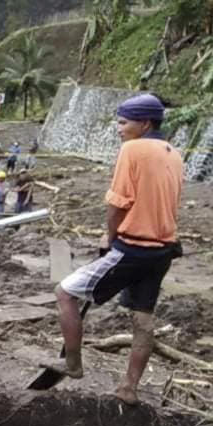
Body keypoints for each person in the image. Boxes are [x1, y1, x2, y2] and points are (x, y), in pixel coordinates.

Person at [52, 94, 183, 405]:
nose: (118, 128)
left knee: (65, 293)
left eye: (124, 122)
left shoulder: (132, 150)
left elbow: (118, 203)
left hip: (133, 246)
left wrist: (109, 236)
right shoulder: (174, 154)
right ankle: (129, 388)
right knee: (143, 319)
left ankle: (71, 364)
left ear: (145, 123)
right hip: (163, 249)